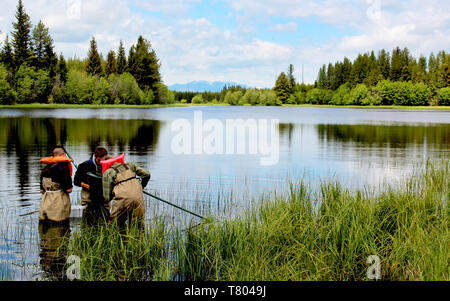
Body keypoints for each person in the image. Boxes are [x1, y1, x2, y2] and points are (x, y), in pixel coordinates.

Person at [101, 155, 151, 229]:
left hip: (122, 200)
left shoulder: (108, 173)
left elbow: (107, 198)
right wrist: (142, 186)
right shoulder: (130, 165)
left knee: (113, 225)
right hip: (138, 197)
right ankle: (137, 240)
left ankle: (116, 239)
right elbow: (147, 174)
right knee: (138, 226)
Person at [74, 147, 110, 224]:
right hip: (88, 195)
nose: (101, 163)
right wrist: (88, 186)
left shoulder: (108, 165)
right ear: (96, 157)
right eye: (99, 161)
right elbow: (76, 181)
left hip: (103, 195)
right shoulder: (84, 166)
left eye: (104, 161)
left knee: (105, 216)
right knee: (87, 216)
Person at [39, 145, 73, 222]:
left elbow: (42, 190)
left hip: (45, 202)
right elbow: (69, 190)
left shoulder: (45, 169)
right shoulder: (64, 169)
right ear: (63, 155)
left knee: (45, 225)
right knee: (60, 227)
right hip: (59, 202)